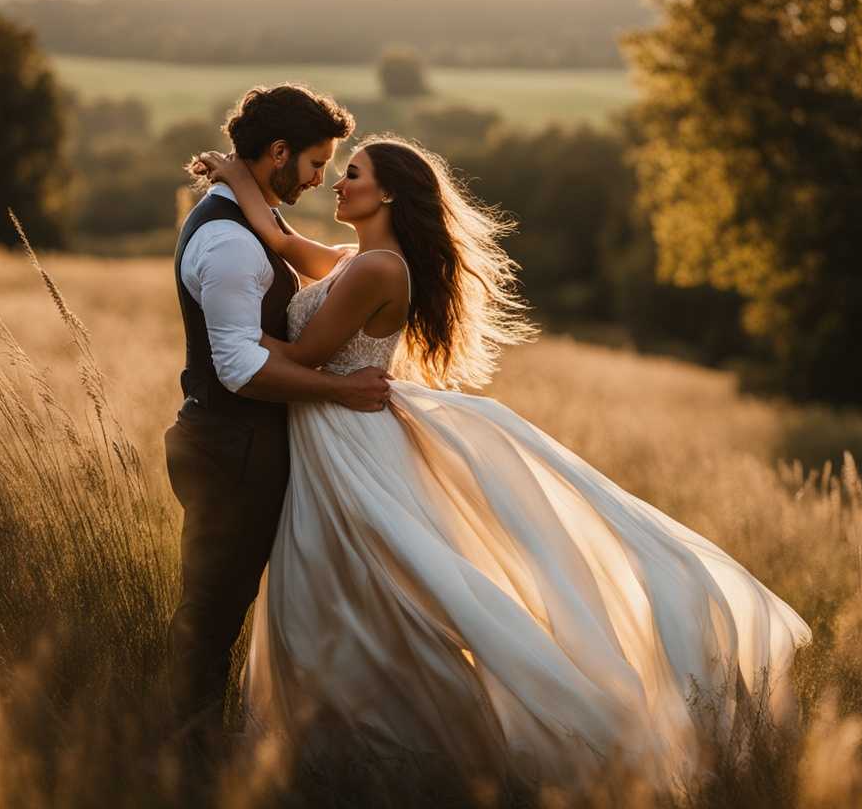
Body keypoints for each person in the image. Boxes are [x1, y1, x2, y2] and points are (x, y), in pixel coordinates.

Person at [194, 137, 812, 792]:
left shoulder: (378, 271)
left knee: (347, 589)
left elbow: (307, 355)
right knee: (345, 594)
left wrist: (223, 333)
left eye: (352, 174)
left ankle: (401, 753)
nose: (337, 184)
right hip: (333, 434)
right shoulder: (358, 260)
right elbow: (282, 241)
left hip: (348, 440)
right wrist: (239, 177)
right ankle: (354, 750)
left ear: (390, 193)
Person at [164, 85, 391, 767]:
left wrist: (248, 188)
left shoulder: (241, 218)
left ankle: (212, 748)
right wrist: (340, 391)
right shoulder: (231, 244)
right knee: (211, 618)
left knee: (238, 609)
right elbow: (238, 368)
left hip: (242, 443)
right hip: (232, 446)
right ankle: (184, 763)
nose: (322, 179)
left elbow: (317, 262)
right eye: (318, 162)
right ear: (280, 152)